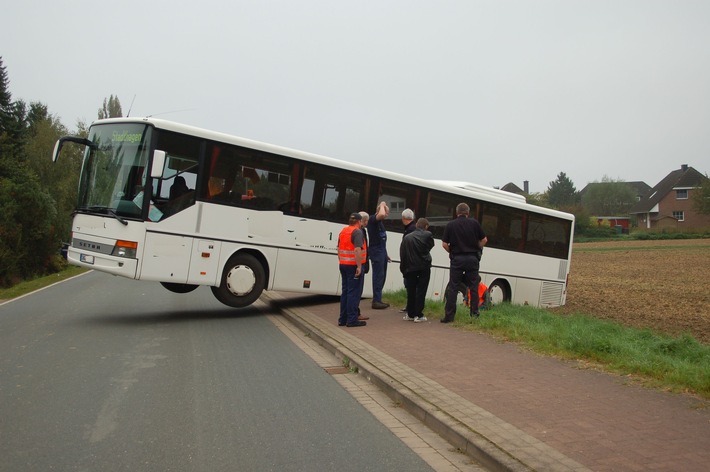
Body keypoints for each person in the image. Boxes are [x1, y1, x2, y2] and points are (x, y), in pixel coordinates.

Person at [441, 203, 488, 322]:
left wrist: (452, 252)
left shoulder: (451, 225)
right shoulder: (474, 223)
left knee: (453, 287)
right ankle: (474, 314)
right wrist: (477, 247)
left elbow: (444, 244)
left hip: (457, 259)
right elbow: (484, 240)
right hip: (472, 259)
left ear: (457, 212)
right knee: (473, 286)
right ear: (468, 212)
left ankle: (449, 316)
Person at [399, 218, 434, 323]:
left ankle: (410, 313)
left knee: (411, 291)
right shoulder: (428, 235)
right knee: (421, 290)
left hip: (410, 268)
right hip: (423, 266)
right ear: (426, 226)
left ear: (417, 225)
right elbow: (430, 246)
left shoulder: (407, 237)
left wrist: (403, 269)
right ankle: (418, 314)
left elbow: (403, 253)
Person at [338, 213, 368, 327]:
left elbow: (338, 248)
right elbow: (357, 250)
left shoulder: (343, 231)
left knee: (345, 291)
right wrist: (359, 266)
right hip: (353, 266)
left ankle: (342, 319)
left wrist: (341, 261)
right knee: (353, 293)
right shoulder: (357, 232)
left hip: (343, 264)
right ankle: (352, 319)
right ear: (359, 222)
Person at [366, 201, 390, 309]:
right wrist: (382, 204)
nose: (386, 215)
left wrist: (386, 253)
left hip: (381, 251)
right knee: (378, 276)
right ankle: (376, 301)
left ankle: (378, 299)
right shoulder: (372, 220)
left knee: (382, 276)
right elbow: (381, 214)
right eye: (386, 212)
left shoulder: (380, 223)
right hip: (376, 252)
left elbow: (382, 239)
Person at [399, 208, 416, 314]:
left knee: (410, 286)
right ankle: (409, 306)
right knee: (409, 286)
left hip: (409, 263)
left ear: (404, 218)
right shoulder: (411, 228)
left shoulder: (410, 230)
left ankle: (410, 307)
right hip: (410, 262)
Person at [356, 211, 370, 321]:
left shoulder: (350, 230)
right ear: (364, 221)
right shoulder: (360, 232)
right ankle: (355, 314)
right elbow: (359, 250)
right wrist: (360, 266)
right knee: (356, 291)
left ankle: (351, 313)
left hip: (351, 265)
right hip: (358, 265)